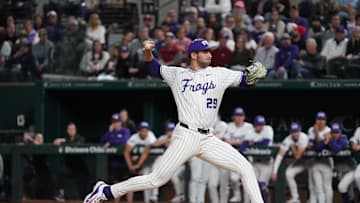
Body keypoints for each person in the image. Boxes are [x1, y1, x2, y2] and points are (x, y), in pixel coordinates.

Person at [83, 38, 267, 203]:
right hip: (186, 135)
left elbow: (245, 79)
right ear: (193, 55)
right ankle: (106, 191)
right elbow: (153, 67)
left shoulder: (220, 73)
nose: (209, 55)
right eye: (205, 51)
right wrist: (147, 52)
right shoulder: (178, 74)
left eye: (209, 51)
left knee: (245, 168)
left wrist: (254, 76)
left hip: (208, 138)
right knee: (156, 180)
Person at [238, 115, 274, 203]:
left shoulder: (268, 129)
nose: (260, 127)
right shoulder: (251, 132)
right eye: (258, 125)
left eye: (262, 124)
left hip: (267, 163)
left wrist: (253, 143)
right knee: (250, 185)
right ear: (255, 125)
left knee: (262, 186)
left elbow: (265, 143)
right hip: (255, 163)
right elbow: (243, 145)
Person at [271, 122, 309, 203]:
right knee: (288, 173)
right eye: (293, 132)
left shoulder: (304, 137)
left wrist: (292, 147)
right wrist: (274, 172)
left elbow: (297, 156)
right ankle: (295, 198)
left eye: (296, 131)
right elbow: (279, 156)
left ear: (300, 131)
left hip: (311, 162)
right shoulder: (288, 139)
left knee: (314, 183)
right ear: (290, 132)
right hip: (301, 162)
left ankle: (312, 200)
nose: (295, 134)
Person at [307, 112, 332, 203]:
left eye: (322, 120)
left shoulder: (329, 130)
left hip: (327, 161)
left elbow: (318, 145)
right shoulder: (311, 130)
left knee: (327, 187)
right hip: (315, 161)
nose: (320, 122)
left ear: (325, 121)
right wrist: (318, 136)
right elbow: (311, 146)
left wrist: (318, 137)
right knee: (318, 188)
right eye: (318, 119)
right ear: (315, 120)